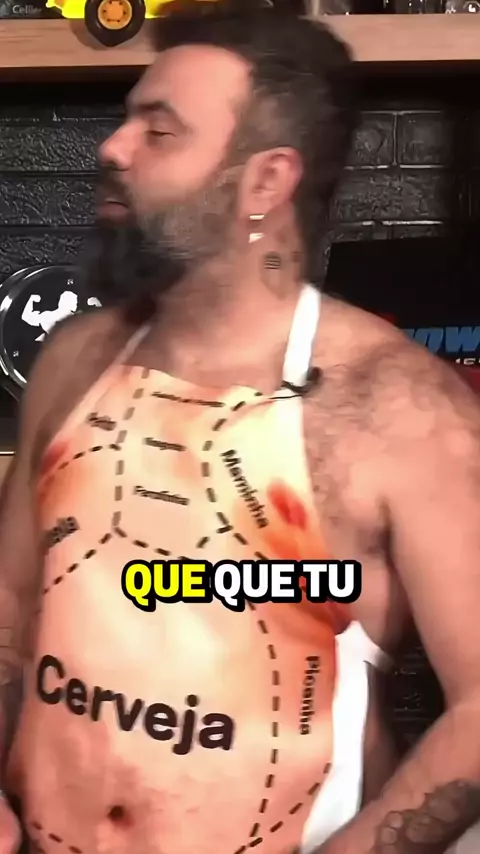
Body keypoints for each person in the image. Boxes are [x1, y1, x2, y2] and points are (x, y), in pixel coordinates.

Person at [0, 2, 479, 853]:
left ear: (266, 181)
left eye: (160, 130)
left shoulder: (402, 407)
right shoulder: (72, 360)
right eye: (127, 120)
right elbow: (8, 610)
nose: (114, 148)